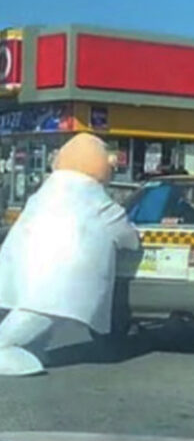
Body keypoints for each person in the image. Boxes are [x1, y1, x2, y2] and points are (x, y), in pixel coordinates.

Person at [0, 133, 140, 376]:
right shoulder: (96, 200)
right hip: (61, 273)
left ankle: (30, 349)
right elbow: (126, 236)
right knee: (42, 310)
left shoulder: (44, 193)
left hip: (26, 264)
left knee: (33, 308)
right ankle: (5, 347)